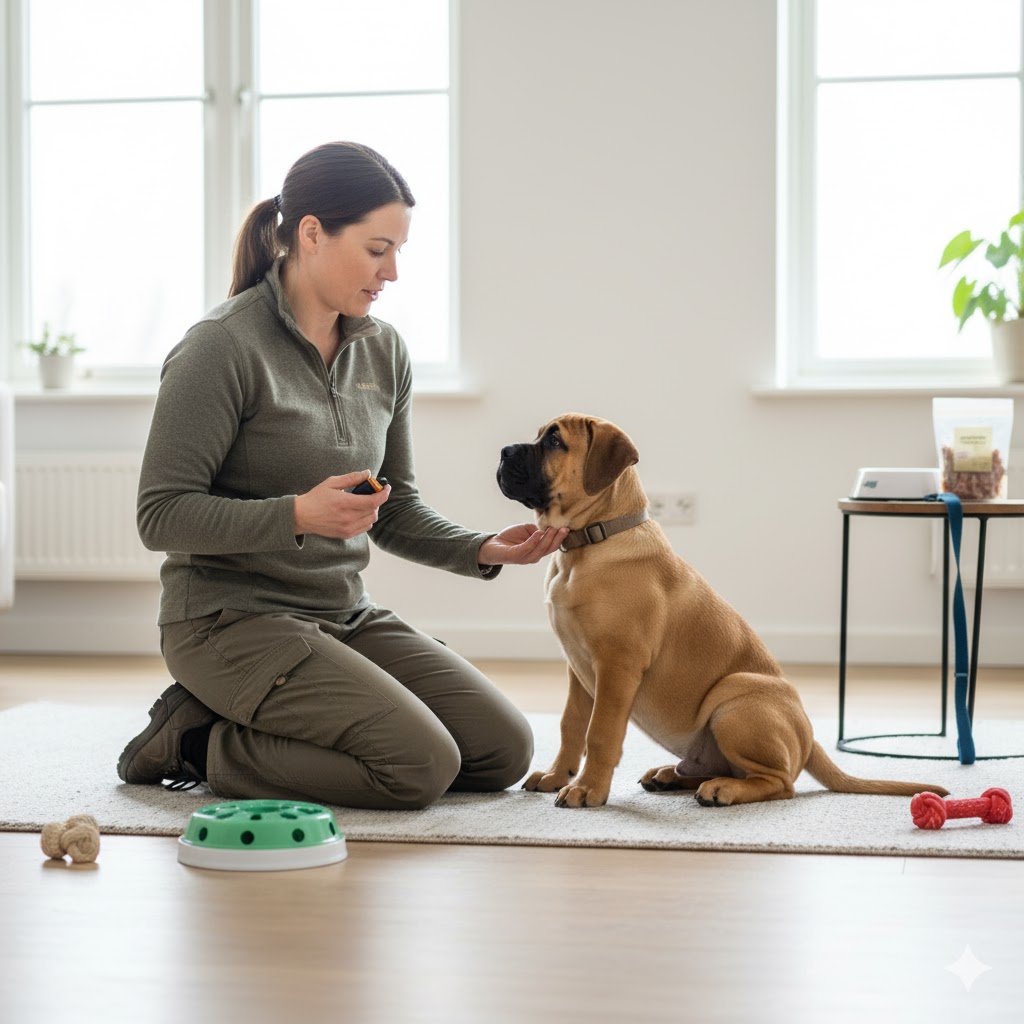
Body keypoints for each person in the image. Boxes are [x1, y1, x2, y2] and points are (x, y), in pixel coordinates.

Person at [117, 141, 568, 809]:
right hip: (227, 621)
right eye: (377, 248)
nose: (391, 273)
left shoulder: (382, 351)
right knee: (417, 766)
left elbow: (397, 505)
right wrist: (295, 515)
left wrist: (480, 548)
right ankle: (195, 740)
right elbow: (160, 516)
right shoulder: (221, 348)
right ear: (311, 234)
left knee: (503, 750)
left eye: (398, 252)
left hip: (340, 613)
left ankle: (297, 707)